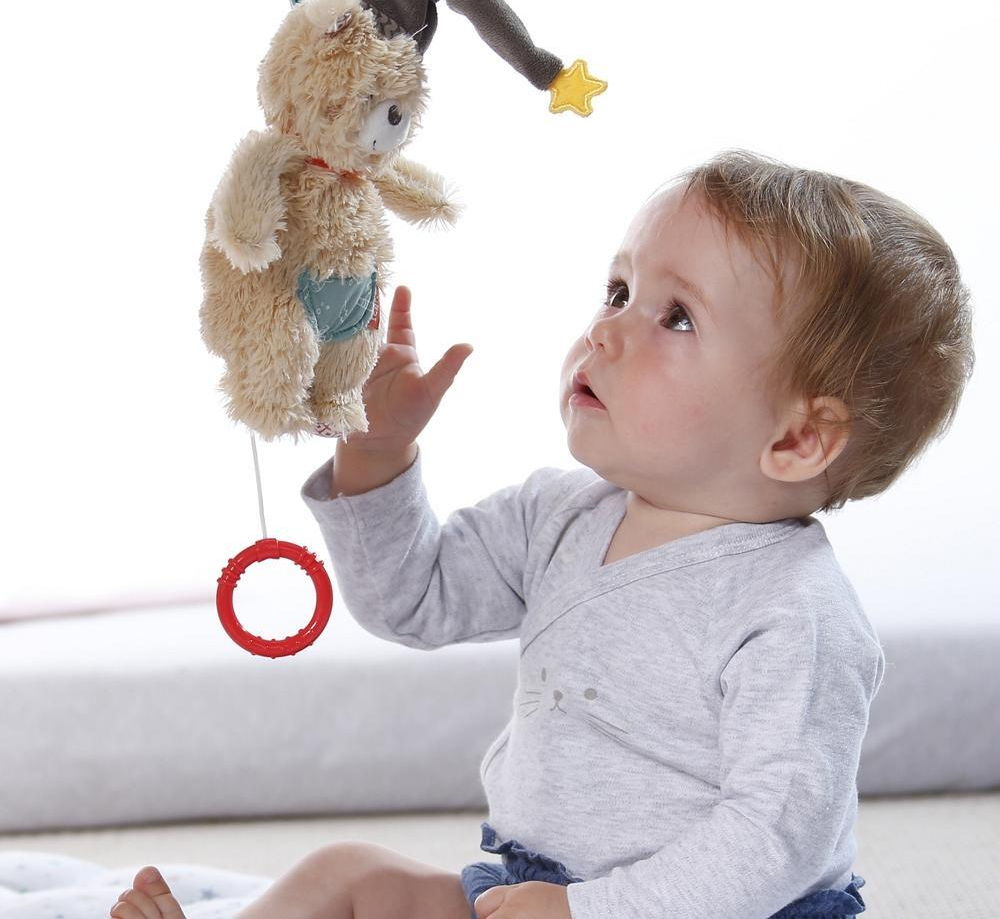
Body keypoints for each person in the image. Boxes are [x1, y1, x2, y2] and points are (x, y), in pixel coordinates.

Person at [109, 149, 975, 919]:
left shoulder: (794, 614)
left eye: (676, 317)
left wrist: (589, 911)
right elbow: (410, 599)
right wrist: (376, 454)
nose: (604, 328)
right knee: (349, 874)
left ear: (797, 440)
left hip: (711, 910)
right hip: (534, 888)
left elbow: (773, 842)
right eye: (619, 291)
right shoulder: (559, 515)